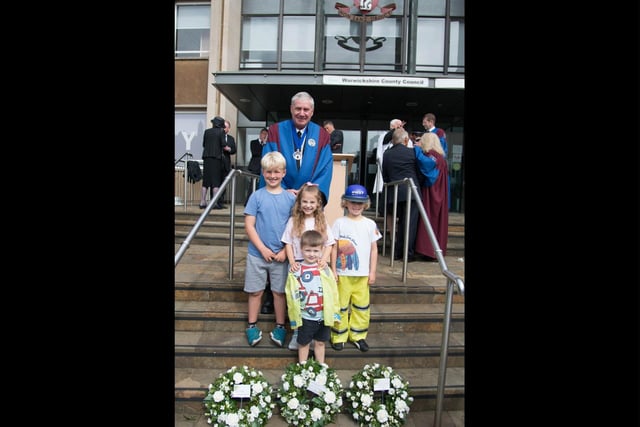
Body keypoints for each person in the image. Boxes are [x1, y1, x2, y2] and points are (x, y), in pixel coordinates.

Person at [259, 91, 334, 314]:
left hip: (307, 200)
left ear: (312, 112)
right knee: (276, 243)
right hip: (280, 196)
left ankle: (304, 290)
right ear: (291, 109)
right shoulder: (275, 131)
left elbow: (325, 166)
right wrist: (281, 189)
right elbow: (268, 162)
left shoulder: (321, 135)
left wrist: (308, 192)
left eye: (306, 109)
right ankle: (271, 293)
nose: (302, 113)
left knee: (302, 244)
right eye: (298, 109)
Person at [243, 151, 297, 347]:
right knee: (255, 292)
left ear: (283, 173)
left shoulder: (290, 199)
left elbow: (295, 227)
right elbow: (249, 225)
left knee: (279, 293)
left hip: (281, 256)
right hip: (257, 254)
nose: (272, 176)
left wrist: (285, 251)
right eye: (268, 172)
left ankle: (280, 326)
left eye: (276, 172)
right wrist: (262, 249)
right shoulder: (256, 197)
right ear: (263, 173)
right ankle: (251, 325)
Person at [281, 182, 336, 350]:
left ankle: (314, 335)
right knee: (298, 300)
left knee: (315, 300)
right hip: (298, 266)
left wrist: (323, 261)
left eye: (312, 202)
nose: (308, 205)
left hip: (316, 267)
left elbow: (330, 243)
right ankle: (298, 333)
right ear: (299, 202)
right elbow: (288, 243)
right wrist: (292, 262)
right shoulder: (293, 221)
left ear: (318, 203)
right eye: (305, 202)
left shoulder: (322, 221)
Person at [330, 184, 381, 352]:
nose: (356, 206)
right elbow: (334, 248)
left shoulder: (370, 224)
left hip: (362, 275)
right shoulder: (339, 223)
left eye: (359, 203)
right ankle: (338, 335)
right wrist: (333, 270)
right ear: (345, 203)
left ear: (365, 204)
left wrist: (372, 271)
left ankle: (358, 336)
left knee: (361, 307)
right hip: (343, 274)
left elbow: (374, 249)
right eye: (352, 202)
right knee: (340, 306)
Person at [285, 230, 340, 364]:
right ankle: (302, 367)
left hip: (323, 315)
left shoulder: (324, 268)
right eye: (308, 250)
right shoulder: (296, 269)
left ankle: (321, 366)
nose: (311, 254)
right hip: (305, 315)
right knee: (304, 343)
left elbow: (333, 290)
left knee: (320, 343)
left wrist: (334, 311)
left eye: (315, 251)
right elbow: (290, 291)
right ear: (301, 249)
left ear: (321, 250)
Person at [382, 128, 421, 262]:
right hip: (412, 191)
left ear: (393, 140)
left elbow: (385, 176)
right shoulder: (412, 153)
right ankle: (407, 254)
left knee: (401, 223)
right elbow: (419, 172)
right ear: (405, 140)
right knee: (410, 224)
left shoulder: (387, 154)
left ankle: (398, 252)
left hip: (395, 192)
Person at [413, 132, 449, 261]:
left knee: (429, 219)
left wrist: (416, 149)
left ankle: (428, 251)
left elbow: (424, 165)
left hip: (432, 191)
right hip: (440, 193)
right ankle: (435, 250)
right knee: (438, 221)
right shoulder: (441, 157)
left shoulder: (432, 156)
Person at [422, 112, 450, 210]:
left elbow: (441, 149)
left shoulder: (439, 132)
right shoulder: (424, 134)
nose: (423, 124)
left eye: (424, 122)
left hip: (436, 168)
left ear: (431, 122)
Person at [200, 116, 226, 209]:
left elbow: (204, 144)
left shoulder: (207, 132)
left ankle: (202, 202)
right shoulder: (221, 131)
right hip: (216, 158)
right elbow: (223, 144)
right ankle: (214, 203)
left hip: (206, 158)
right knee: (216, 181)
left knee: (206, 181)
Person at [217, 120, 237, 208]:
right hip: (217, 163)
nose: (224, 128)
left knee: (223, 183)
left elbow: (234, 150)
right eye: (223, 126)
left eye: (225, 127)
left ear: (228, 129)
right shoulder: (216, 136)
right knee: (216, 183)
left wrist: (228, 149)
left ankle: (220, 202)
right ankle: (214, 202)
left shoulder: (231, 138)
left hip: (226, 163)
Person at [246, 127, 268, 202]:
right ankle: (249, 201)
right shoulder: (253, 142)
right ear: (260, 134)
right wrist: (263, 145)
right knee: (253, 184)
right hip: (255, 165)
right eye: (263, 134)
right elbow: (255, 153)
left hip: (264, 166)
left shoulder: (267, 144)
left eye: (266, 134)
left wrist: (265, 144)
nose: (264, 136)